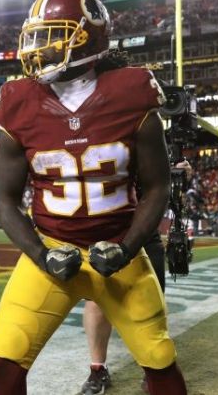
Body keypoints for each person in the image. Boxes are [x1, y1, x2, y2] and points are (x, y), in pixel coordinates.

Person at [0, 0, 187, 395]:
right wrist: (41, 255)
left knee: (160, 364)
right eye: (35, 36)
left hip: (118, 252)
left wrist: (128, 248)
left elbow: (157, 185)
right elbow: (3, 200)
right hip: (52, 251)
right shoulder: (17, 100)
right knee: (3, 366)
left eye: (50, 36)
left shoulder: (132, 91)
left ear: (87, 38)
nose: (37, 48)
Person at [80, 159, 193, 395]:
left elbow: (168, 197)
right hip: (104, 226)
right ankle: (97, 368)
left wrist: (179, 179)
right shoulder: (102, 133)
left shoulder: (147, 133)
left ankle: (152, 367)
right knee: (96, 301)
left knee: (152, 301)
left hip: (143, 229)